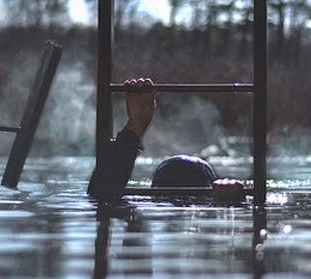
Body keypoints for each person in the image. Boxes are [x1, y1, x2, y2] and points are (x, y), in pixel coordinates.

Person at [87, 78, 244, 203]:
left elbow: (101, 196)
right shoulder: (214, 206)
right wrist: (232, 200)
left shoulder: (148, 204)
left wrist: (134, 129)